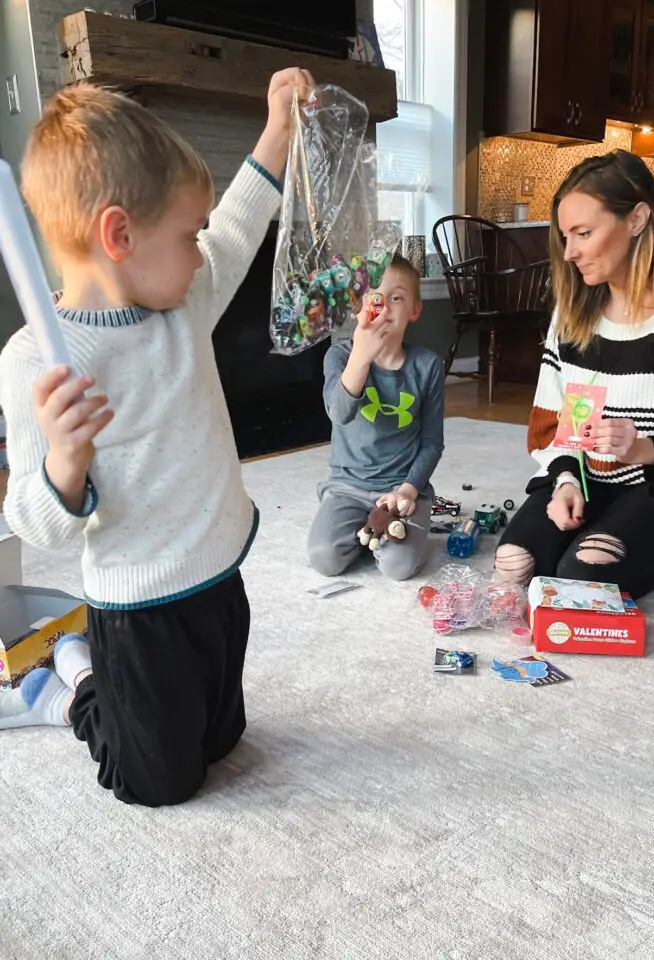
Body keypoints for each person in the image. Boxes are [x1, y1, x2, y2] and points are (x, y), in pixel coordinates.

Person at [0, 68, 315, 806]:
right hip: (137, 608)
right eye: (186, 236)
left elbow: (238, 227)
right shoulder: (37, 365)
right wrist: (63, 465)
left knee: (222, 741)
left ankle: (114, 693)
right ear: (119, 234)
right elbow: (34, 525)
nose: (202, 253)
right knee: (154, 782)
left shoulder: (180, 306)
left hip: (218, 578)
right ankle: (72, 684)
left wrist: (277, 127)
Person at [495, 149, 654, 599]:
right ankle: (607, 534)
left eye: (583, 233)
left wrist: (642, 447)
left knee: (578, 579)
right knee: (517, 565)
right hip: (590, 479)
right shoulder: (574, 311)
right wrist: (566, 482)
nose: (569, 253)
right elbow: (554, 426)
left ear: (636, 219)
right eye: (565, 236)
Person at [307, 254, 444, 581]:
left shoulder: (427, 366)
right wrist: (362, 355)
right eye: (374, 297)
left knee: (398, 567)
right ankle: (365, 530)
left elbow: (431, 443)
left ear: (414, 310)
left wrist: (409, 490)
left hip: (402, 489)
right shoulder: (338, 356)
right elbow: (339, 413)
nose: (384, 306)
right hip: (347, 485)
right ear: (359, 307)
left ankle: (381, 530)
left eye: (396, 298)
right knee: (324, 558)